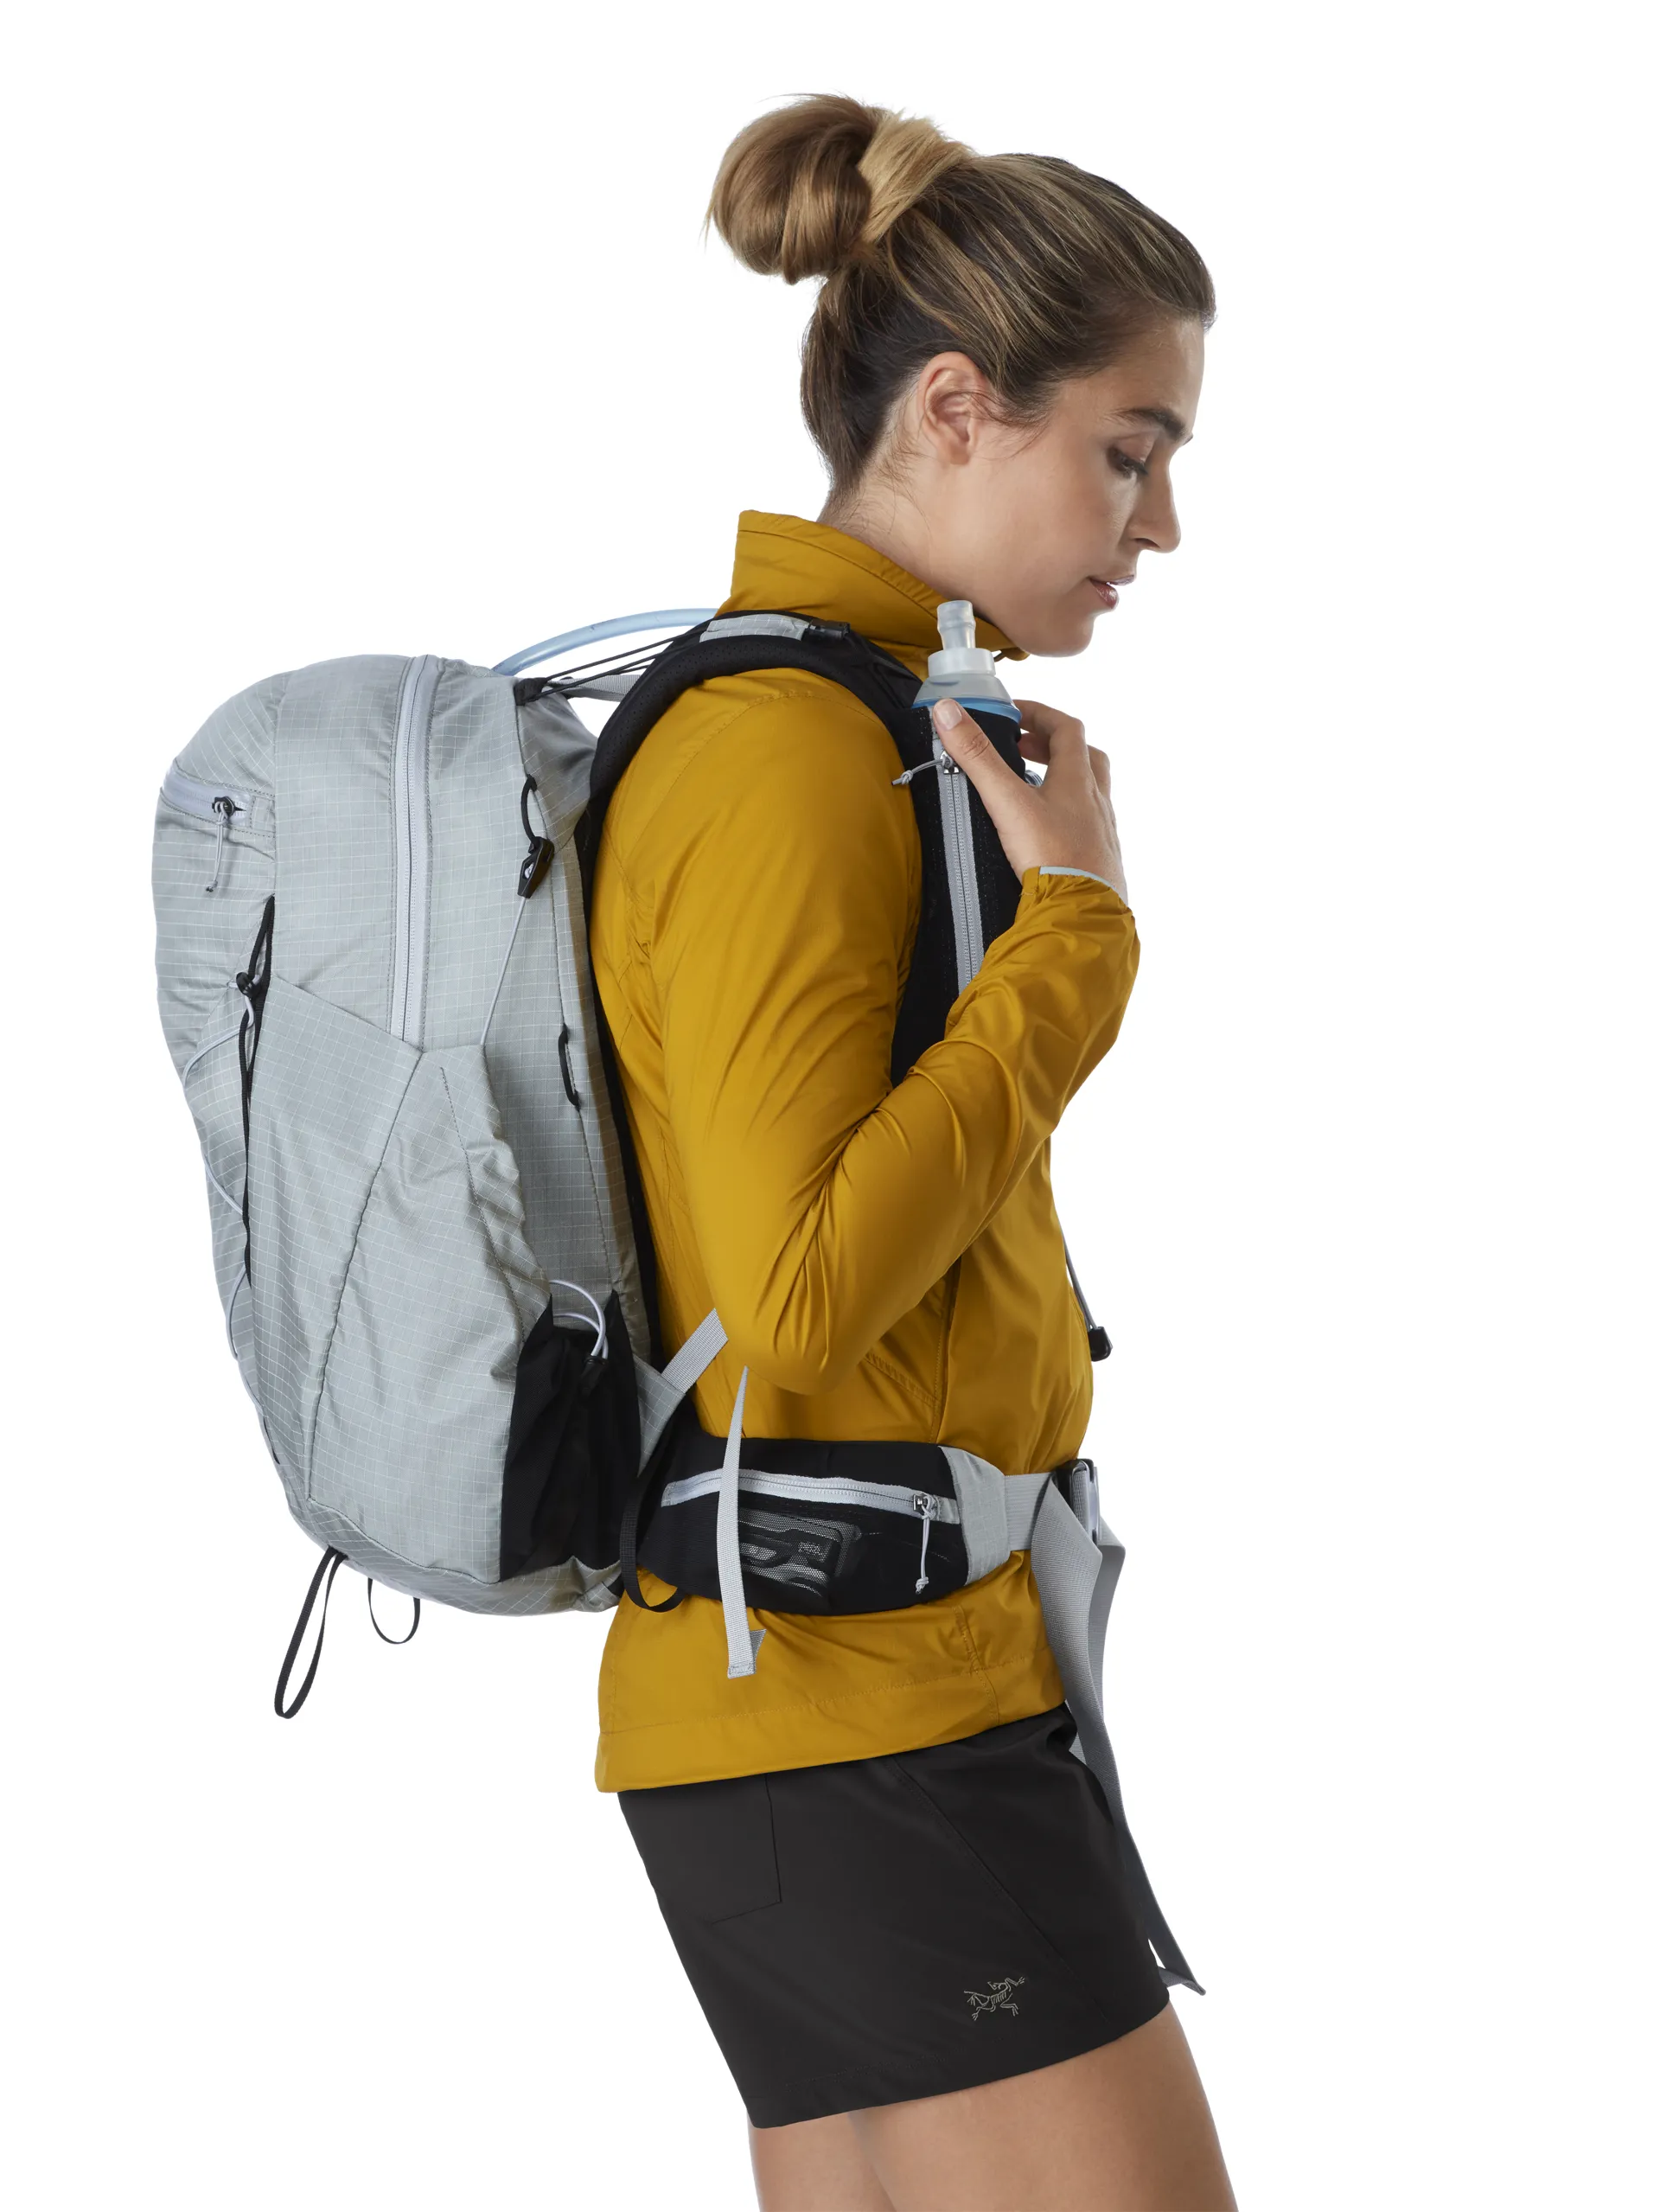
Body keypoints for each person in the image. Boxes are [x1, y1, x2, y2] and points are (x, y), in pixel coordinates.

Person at [591, 93, 1235, 2212]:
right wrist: (1078, 945)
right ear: (957, 407)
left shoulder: (862, 723)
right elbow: (794, 1300)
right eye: (1127, 450)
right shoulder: (784, 750)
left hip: (834, 1701)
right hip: (863, 1706)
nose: (1155, 525)